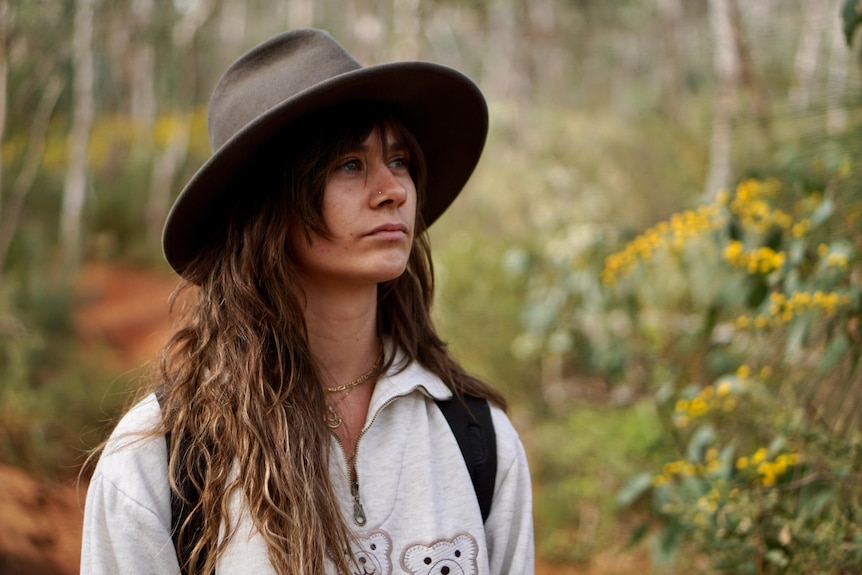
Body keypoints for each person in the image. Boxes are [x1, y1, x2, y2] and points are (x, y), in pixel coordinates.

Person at [80, 28, 534, 575]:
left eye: (399, 160)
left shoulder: (478, 443)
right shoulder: (164, 463)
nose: (394, 189)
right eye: (349, 164)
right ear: (268, 207)